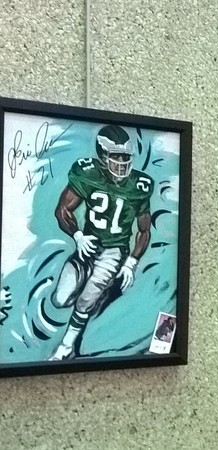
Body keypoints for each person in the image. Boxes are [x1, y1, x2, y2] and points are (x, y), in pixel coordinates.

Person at [48, 125, 153, 360]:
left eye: (125, 157)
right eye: (116, 156)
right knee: (60, 300)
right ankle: (93, 293)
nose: (122, 162)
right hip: (89, 245)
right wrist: (78, 236)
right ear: (102, 155)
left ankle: (66, 347)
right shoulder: (88, 174)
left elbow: (144, 230)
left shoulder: (139, 185)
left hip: (114, 251)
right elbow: (63, 209)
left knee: (85, 302)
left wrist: (131, 262)